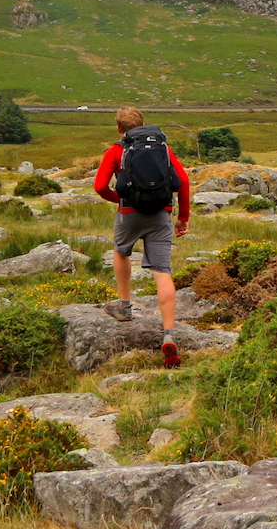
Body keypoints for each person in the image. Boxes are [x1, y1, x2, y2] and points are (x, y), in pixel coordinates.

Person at [93, 105, 192, 367]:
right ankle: (169, 334)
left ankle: (124, 306)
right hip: (161, 214)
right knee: (162, 270)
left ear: (119, 128)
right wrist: (183, 217)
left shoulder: (116, 150)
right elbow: (182, 181)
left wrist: (119, 199)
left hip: (129, 213)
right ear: (143, 124)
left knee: (121, 251)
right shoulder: (163, 149)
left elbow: (99, 186)